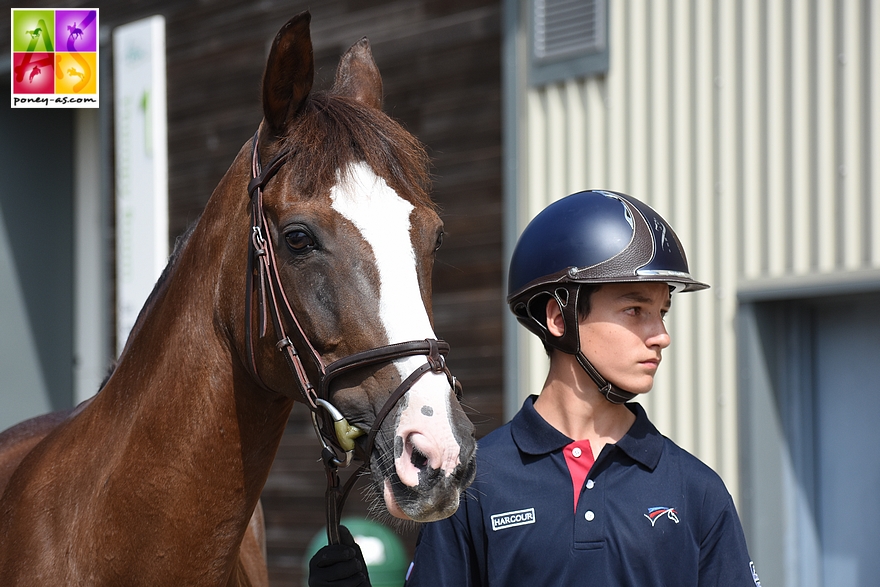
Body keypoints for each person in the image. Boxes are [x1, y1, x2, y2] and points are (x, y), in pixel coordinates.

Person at [309, 190, 761, 587]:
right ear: (558, 317)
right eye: (635, 310)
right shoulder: (474, 481)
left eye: (662, 311)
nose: (660, 334)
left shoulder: (697, 491)